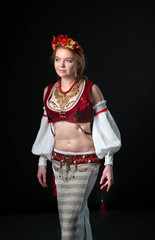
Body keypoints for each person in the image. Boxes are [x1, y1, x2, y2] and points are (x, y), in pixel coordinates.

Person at [32, 34, 121, 240]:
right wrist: (42, 161)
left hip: (85, 163)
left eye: (68, 60)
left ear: (78, 63)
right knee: (79, 214)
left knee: (70, 222)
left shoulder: (91, 89)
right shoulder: (48, 91)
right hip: (58, 162)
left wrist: (108, 163)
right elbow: (46, 129)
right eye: (57, 59)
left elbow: (104, 128)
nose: (61, 65)